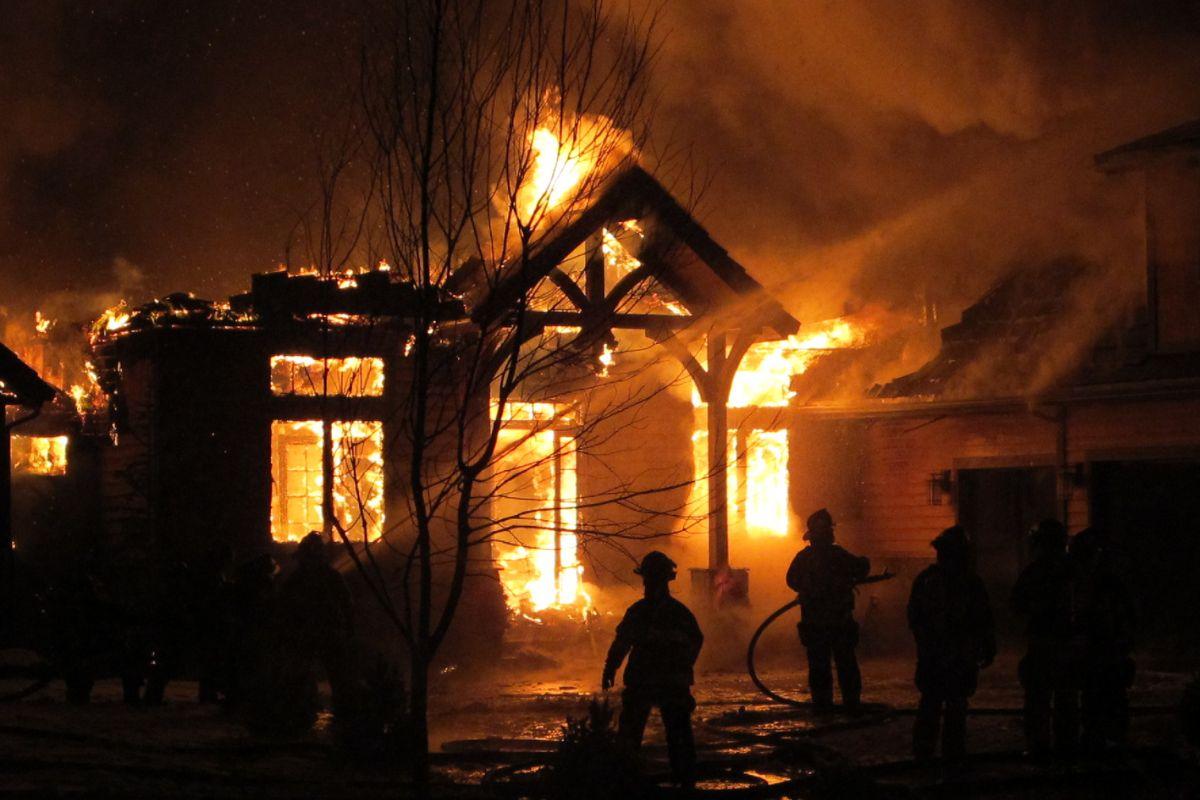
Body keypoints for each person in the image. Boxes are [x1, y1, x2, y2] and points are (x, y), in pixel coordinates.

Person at [602, 551, 704, 789]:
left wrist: (610, 668)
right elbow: (622, 642)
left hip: (652, 680)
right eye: (649, 580)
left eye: (651, 579)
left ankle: (631, 782)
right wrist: (610, 668)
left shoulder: (648, 612)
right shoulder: (677, 613)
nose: (649, 585)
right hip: (657, 681)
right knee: (657, 734)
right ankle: (678, 780)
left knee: (656, 733)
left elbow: (622, 643)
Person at [908, 526, 995, 763]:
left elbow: (914, 618)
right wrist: (987, 646)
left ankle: (923, 754)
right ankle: (952, 757)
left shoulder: (926, 581)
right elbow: (984, 619)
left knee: (931, 704)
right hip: (959, 657)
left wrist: (926, 644)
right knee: (954, 706)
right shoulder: (970, 583)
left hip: (937, 657)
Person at [785, 508, 870, 709]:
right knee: (846, 663)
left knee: (819, 666)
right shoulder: (838, 555)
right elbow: (861, 568)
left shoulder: (803, 558)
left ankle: (822, 706)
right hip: (839, 621)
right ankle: (851, 704)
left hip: (814, 623)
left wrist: (808, 589)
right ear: (830, 533)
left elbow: (791, 580)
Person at [1012, 518, 1078, 760]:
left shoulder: (1036, 571)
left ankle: (1040, 746)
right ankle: (1067, 746)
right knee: (1067, 696)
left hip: (1043, 642)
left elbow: (1017, 604)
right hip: (1070, 643)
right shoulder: (1074, 569)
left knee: (1039, 697)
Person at [1070, 526, 1135, 754]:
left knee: (1104, 693)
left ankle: (1106, 737)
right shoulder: (1089, 582)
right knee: (1098, 693)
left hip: (1104, 647)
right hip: (1100, 648)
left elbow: (1121, 616)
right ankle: (1102, 737)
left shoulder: (1102, 584)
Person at [278, 532, 355, 714]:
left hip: (320, 633)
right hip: (313, 633)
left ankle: (317, 708)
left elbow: (346, 603)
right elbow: (347, 604)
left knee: (332, 673)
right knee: (311, 673)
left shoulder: (303, 578)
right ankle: (307, 707)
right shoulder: (327, 576)